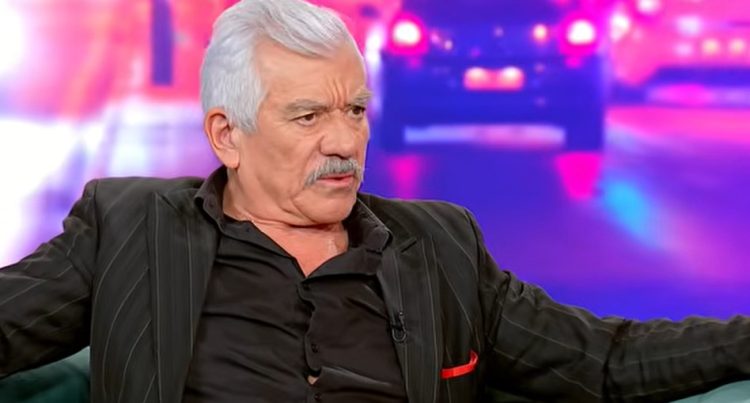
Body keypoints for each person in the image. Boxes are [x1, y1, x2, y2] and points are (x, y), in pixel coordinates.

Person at [0, 0, 748, 402]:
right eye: (308, 116)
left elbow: (605, 362)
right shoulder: (128, 228)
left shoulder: (441, 245)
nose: (344, 141)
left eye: (355, 110)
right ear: (228, 135)